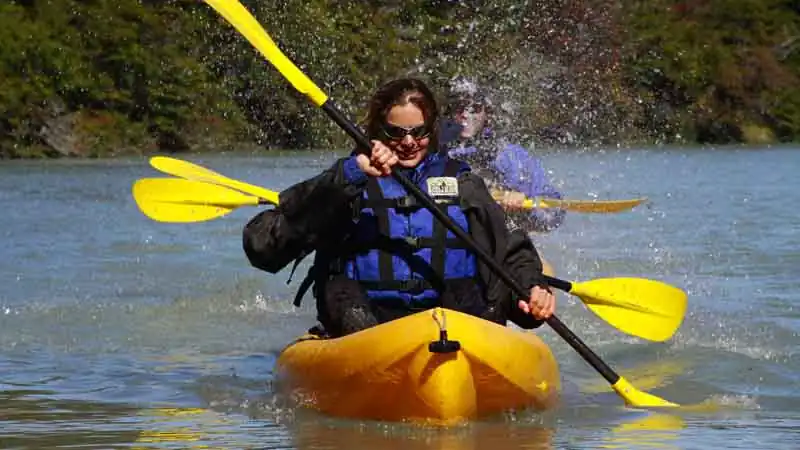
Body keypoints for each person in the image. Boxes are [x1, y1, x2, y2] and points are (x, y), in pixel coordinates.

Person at [242, 78, 555, 338]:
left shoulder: (462, 181)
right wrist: (348, 175)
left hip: (451, 328)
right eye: (396, 133)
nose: (408, 142)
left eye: (418, 132)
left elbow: (512, 253)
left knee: (474, 296)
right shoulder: (347, 179)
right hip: (366, 329)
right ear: (378, 130)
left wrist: (532, 289)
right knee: (348, 302)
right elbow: (262, 246)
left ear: (432, 129)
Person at [440, 77, 566, 234]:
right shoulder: (434, 152)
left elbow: (554, 214)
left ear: (487, 114)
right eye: (459, 107)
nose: (466, 114)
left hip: (498, 242)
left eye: (475, 108)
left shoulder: (512, 157)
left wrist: (525, 207)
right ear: (450, 112)